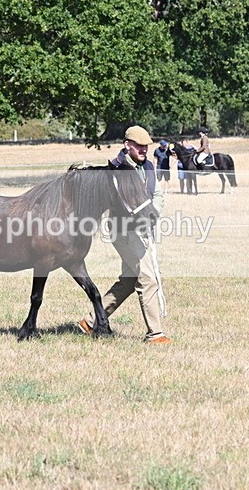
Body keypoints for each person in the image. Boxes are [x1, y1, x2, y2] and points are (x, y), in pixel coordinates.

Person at [77, 125, 171, 344]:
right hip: (124, 230)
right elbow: (122, 202)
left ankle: (90, 322)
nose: (144, 150)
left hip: (143, 229)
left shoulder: (149, 165)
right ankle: (155, 334)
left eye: (146, 146)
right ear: (127, 145)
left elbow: (157, 193)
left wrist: (153, 214)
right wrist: (140, 220)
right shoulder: (117, 169)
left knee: (129, 280)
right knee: (147, 279)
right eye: (139, 146)